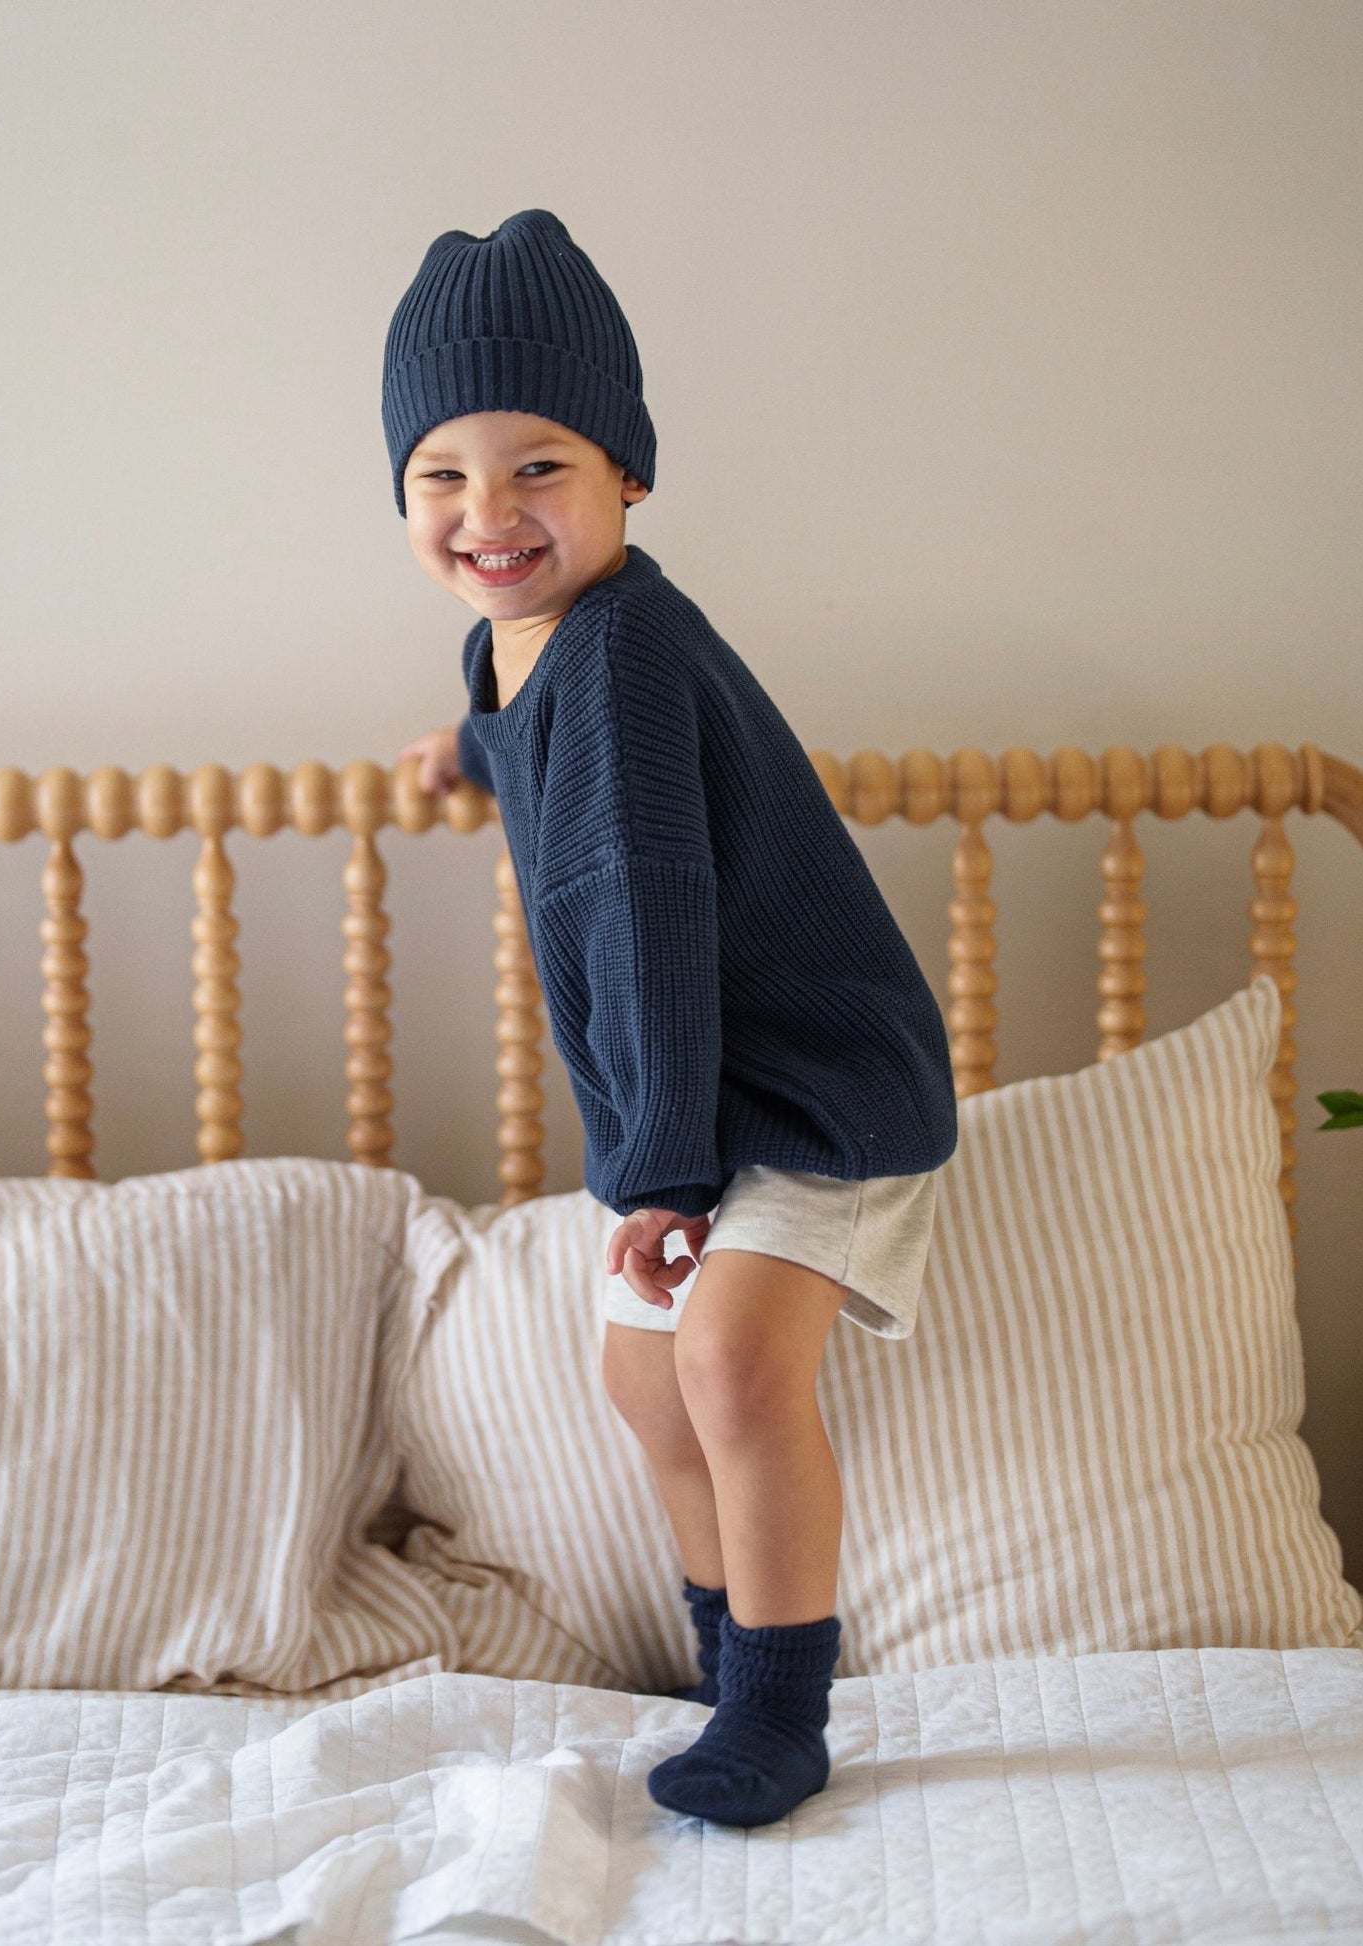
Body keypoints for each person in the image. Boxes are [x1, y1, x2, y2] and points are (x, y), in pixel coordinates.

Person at [386, 209, 959, 1828]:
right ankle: (724, 1654)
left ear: (627, 472)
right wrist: (471, 747)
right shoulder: (533, 641)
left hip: (811, 1089)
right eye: (443, 475)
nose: (489, 514)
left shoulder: (627, 658)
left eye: (539, 469)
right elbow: (533, 715)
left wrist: (660, 1172)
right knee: (640, 1386)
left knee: (725, 1367)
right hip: (710, 1096)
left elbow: (648, 918)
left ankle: (780, 1706)